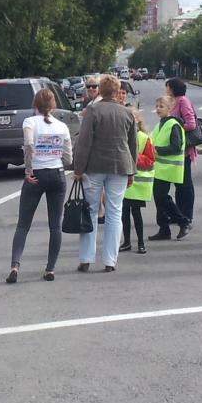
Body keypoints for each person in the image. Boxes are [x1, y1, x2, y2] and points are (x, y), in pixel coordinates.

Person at [72, 74, 138, 273]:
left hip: (94, 166)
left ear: (99, 90)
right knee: (115, 212)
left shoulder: (93, 110)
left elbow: (84, 142)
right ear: (118, 92)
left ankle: (86, 258)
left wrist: (78, 168)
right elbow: (132, 144)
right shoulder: (126, 112)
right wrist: (132, 170)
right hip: (120, 166)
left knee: (90, 211)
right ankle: (110, 260)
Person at [8, 88, 73, 283]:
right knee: (55, 226)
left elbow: (28, 145)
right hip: (57, 174)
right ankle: (50, 269)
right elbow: (69, 157)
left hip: (36, 174)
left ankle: (15, 265)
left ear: (35, 105)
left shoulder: (30, 122)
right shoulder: (62, 126)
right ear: (53, 106)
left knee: (23, 224)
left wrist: (29, 170)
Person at [148, 93, 188, 242]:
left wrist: (158, 150)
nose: (158, 109)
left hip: (168, 168)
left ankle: (183, 221)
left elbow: (176, 147)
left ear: (170, 108)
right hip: (159, 168)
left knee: (162, 197)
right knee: (159, 198)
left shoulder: (173, 125)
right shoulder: (160, 124)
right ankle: (164, 229)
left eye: (161, 106)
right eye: (157, 106)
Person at [166, 78, 199, 229]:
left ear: (172, 88)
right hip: (175, 150)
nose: (166, 90)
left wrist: (174, 128)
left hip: (184, 150)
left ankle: (187, 215)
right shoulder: (174, 101)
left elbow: (191, 124)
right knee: (178, 183)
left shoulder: (183, 101)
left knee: (185, 184)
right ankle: (179, 214)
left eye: (167, 87)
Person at [121, 110, 154, 255]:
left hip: (137, 183)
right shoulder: (120, 137)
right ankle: (126, 241)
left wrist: (134, 158)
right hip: (122, 180)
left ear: (138, 120)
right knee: (123, 213)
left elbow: (150, 160)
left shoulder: (144, 138)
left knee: (136, 212)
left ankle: (141, 242)